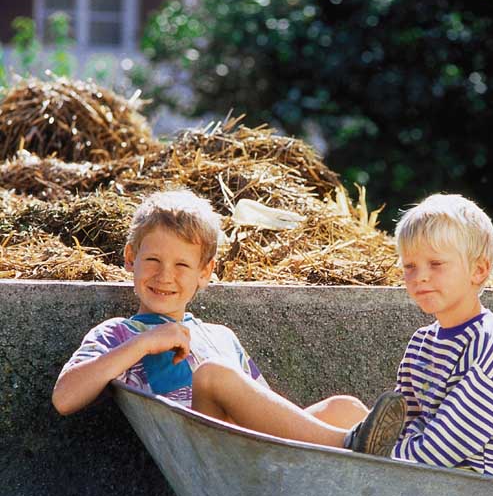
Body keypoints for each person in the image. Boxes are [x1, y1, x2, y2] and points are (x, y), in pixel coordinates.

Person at [53, 188, 406, 457]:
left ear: (205, 273)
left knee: (342, 407)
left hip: (250, 452)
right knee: (212, 374)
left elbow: (264, 404)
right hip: (208, 458)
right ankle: (348, 445)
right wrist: (143, 344)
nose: (165, 276)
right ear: (131, 258)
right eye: (154, 260)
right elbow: (65, 398)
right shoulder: (119, 333)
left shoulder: (220, 336)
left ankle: (383, 462)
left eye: (182, 266)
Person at [391, 193, 493, 478]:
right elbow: (397, 423)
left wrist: (371, 454)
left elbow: (444, 450)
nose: (419, 276)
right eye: (409, 266)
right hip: (429, 482)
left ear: (478, 270)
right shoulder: (421, 344)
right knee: (342, 411)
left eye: (436, 264)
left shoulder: (492, 345)